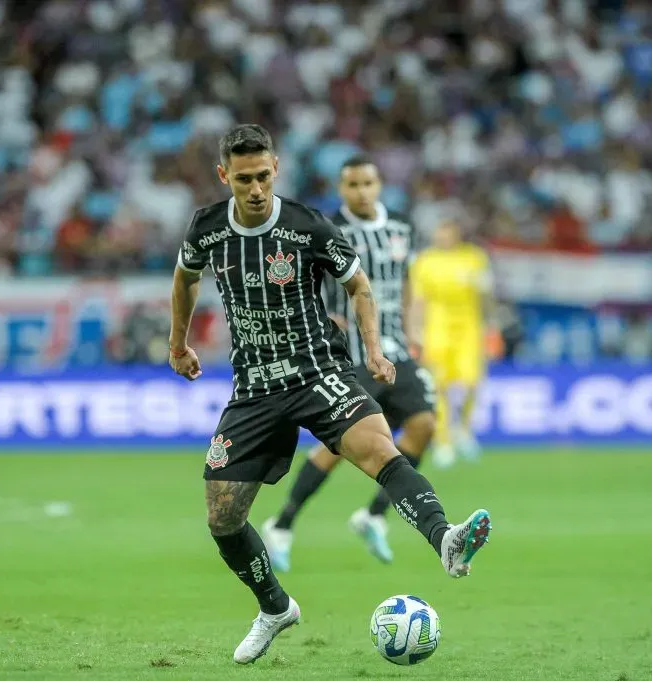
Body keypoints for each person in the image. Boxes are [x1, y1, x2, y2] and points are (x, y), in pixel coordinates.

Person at [169, 124, 492, 665]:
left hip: (317, 371)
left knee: (379, 447)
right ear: (224, 175)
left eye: (264, 176)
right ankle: (275, 608)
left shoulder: (307, 226)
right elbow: (185, 278)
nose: (256, 189)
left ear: (277, 169)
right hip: (254, 388)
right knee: (222, 516)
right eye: (244, 179)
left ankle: (445, 538)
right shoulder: (207, 227)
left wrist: (374, 351)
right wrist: (178, 344)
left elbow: (359, 287)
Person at [261, 155, 437, 570]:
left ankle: (373, 515)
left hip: (395, 348)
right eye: (352, 185)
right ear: (341, 189)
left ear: (379, 185)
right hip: (348, 354)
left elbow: (408, 284)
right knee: (342, 445)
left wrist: (415, 332)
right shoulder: (327, 228)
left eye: (367, 183)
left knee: (424, 425)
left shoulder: (402, 226)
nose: (361, 192)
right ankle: (282, 524)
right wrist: (323, 318)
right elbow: (300, 283)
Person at [409, 219, 497, 467]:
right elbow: (418, 300)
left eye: (447, 232)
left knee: (472, 383)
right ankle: (443, 440)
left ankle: (464, 431)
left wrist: (492, 325)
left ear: (457, 234)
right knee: (438, 386)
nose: (442, 237)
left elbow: (486, 294)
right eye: (439, 232)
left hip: (469, 329)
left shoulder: (474, 258)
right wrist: (415, 330)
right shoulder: (425, 261)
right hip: (437, 329)